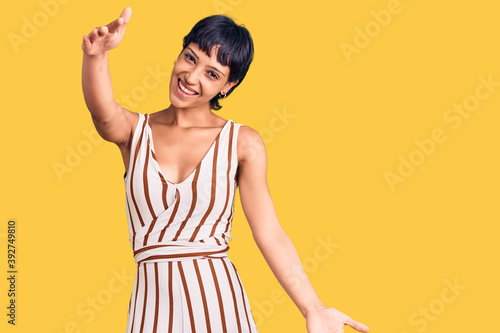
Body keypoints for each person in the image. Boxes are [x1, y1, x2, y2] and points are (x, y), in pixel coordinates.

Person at [81, 7, 370, 333]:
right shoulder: (135, 131)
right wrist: (96, 56)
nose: (191, 77)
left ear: (228, 86)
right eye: (190, 58)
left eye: (212, 73)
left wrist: (314, 308)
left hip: (220, 307)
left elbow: (271, 234)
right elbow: (104, 114)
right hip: (151, 310)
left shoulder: (242, 143)